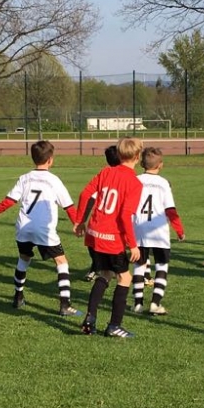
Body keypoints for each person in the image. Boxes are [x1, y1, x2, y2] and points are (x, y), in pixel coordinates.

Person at [0, 140, 81, 316]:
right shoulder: (54, 180)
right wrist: (77, 224)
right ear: (50, 160)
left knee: (24, 259)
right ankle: (65, 305)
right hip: (43, 229)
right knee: (61, 262)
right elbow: (69, 207)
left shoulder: (25, 178)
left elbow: (9, 201)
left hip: (24, 228)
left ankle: (18, 297)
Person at [74, 137, 144, 338]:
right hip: (112, 238)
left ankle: (90, 318)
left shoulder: (106, 172)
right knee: (125, 277)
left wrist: (80, 221)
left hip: (94, 234)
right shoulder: (134, 183)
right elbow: (124, 216)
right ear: (137, 156)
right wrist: (133, 245)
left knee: (104, 274)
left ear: (119, 154)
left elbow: (84, 194)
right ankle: (114, 326)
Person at [132, 147, 185, 315]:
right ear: (160, 165)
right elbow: (170, 210)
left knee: (139, 266)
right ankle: (155, 303)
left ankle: (138, 304)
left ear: (142, 163)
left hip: (139, 229)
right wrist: (179, 230)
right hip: (159, 231)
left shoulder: (135, 180)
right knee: (162, 266)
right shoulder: (163, 183)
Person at [82, 145, 122, 283]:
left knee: (95, 245)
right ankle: (97, 268)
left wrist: (82, 220)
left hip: (100, 222)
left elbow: (88, 197)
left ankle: (98, 268)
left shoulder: (104, 174)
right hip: (113, 223)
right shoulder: (123, 176)